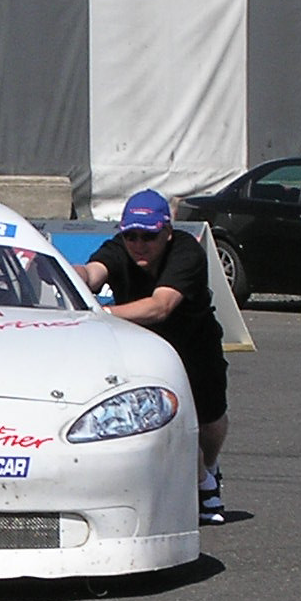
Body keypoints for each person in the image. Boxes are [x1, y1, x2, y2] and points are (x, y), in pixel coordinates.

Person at [82, 187, 230, 525]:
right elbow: (92, 273)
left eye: (147, 236)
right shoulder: (120, 249)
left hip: (195, 343)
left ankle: (209, 467)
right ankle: (203, 485)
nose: (138, 244)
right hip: (146, 349)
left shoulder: (186, 252)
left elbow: (161, 306)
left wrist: (103, 313)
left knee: (211, 420)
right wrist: (71, 277)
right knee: (177, 422)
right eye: (131, 236)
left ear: (166, 231)